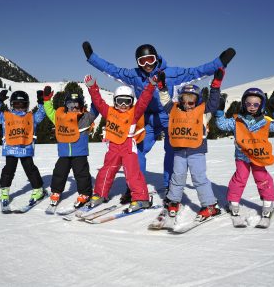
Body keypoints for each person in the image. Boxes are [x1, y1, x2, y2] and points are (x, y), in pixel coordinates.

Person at [82, 41, 236, 199]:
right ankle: (135, 186)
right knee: (136, 151)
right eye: (142, 61)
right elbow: (112, 70)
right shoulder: (135, 75)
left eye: (150, 59)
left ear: (156, 58)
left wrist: (220, 62)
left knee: (171, 151)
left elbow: (196, 72)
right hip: (148, 119)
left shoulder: (171, 73)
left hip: (169, 117)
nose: (147, 64)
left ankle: (170, 185)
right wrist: (92, 57)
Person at [83, 73, 159, 213]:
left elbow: (143, 100)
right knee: (107, 170)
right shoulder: (110, 111)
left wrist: (151, 86)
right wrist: (92, 87)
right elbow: (99, 102)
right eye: (120, 101)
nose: (123, 105)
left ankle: (141, 198)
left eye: (127, 101)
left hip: (128, 145)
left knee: (132, 172)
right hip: (113, 146)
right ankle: (100, 193)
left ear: (131, 102)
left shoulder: (134, 112)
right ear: (115, 101)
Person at [157, 69, 224, 220]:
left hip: (197, 151)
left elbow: (213, 103)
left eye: (191, 102)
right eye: (184, 101)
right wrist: (162, 88)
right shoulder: (174, 110)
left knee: (199, 178)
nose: (187, 105)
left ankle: (209, 205)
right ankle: (173, 200)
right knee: (177, 176)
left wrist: (216, 85)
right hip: (180, 151)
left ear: (197, 101)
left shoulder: (203, 112)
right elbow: (165, 101)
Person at [215, 88, 274, 217]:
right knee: (240, 178)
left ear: (261, 105)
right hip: (242, 157)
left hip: (259, 156)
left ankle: (267, 203)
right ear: (243, 104)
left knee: (262, 178)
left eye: (256, 104)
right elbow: (222, 125)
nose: (252, 107)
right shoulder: (237, 121)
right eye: (248, 104)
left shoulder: (265, 121)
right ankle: (234, 203)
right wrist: (219, 112)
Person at [42, 86, 99, 208]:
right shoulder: (60, 118)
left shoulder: (85, 118)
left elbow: (96, 109)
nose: (73, 108)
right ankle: (56, 191)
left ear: (81, 105)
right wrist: (47, 100)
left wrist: (94, 93)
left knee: (82, 174)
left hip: (80, 154)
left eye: (76, 105)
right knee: (59, 172)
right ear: (65, 105)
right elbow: (50, 111)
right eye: (70, 105)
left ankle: (85, 193)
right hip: (64, 154)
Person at [0, 89, 47, 208]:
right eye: (17, 105)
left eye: (23, 105)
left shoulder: (31, 117)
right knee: (8, 170)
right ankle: (4, 190)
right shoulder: (6, 117)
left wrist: (41, 102)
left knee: (30, 169)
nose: (20, 108)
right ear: (12, 105)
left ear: (27, 105)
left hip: (25, 149)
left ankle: (38, 189)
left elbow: (42, 113)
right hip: (10, 149)